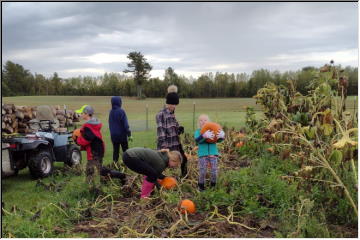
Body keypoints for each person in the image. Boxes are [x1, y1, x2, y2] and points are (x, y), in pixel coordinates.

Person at [74, 105, 126, 190]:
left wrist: (77, 140)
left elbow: (86, 139)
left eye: (82, 113)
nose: (81, 115)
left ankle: (121, 176)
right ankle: (89, 186)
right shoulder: (93, 123)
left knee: (94, 169)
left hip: (94, 151)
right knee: (95, 169)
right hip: (99, 149)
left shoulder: (88, 126)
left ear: (86, 114)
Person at [155, 85, 188, 177]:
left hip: (175, 144)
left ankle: (183, 179)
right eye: (172, 104)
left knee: (183, 159)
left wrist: (179, 128)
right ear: (168, 103)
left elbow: (174, 127)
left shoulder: (172, 114)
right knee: (165, 165)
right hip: (167, 146)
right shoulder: (160, 115)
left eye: (175, 105)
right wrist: (165, 149)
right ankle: (161, 181)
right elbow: (161, 133)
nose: (174, 106)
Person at [194, 114, 225, 191]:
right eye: (201, 120)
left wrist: (221, 136)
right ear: (198, 122)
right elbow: (197, 140)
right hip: (202, 155)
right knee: (203, 171)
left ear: (209, 122)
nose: (203, 122)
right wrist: (203, 136)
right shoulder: (198, 132)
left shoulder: (213, 130)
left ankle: (213, 186)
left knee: (214, 171)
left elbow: (218, 140)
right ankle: (201, 186)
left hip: (213, 154)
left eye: (205, 120)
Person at [109, 96, 132, 163]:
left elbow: (110, 124)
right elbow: (126, 125)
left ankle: (115, 164)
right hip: (122, 135)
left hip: (113, 136)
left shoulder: (111, 112)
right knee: (126, 151)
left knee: (115, 151)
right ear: (119, 102)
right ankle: (128, 164)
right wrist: (129, 134)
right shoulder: (121, 111)